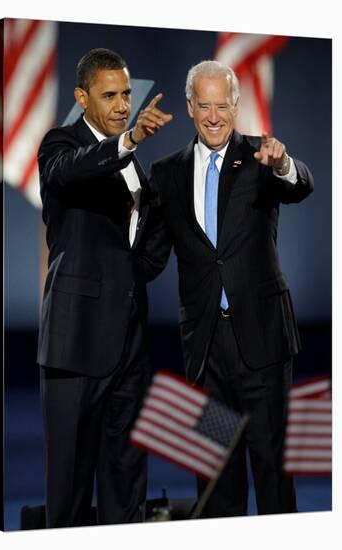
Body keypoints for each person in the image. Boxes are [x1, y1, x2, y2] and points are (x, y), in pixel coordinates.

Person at [148, 59, 314, 517]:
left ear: (237, 105)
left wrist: (283, 165)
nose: (215, 116)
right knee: (216, 475)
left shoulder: (264, 155)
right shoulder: (167, 173)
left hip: (261, 342)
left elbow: (302, 184)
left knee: (272, 471)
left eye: (223, 105)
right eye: (205, 105)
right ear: (189, 107)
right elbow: (149, 255)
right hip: (205, 350)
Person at [37, 48, 172, 527]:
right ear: (82, 97)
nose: (121, 105)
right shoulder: (60, 145)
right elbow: (69, 170)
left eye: (127, 94)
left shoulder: (133, 161)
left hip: (130, 344)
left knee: (126, 480)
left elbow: (144, 241)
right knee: (70, 486)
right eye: (109, 95)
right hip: (76, 344)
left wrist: (137, 275)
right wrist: (130, 139)